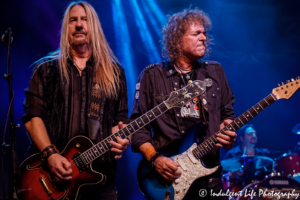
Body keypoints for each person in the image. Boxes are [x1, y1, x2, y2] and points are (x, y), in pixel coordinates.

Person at [21, 1, 130, 199]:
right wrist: (50, 155)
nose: (79, 25)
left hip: (100, 182)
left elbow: (120, 119)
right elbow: (32, 117)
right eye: (73, 20)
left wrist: (124, 138)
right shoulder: (46, 69)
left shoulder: (114, 72)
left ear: (94, 27)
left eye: (84, 20)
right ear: (66, 28)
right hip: (51, 178)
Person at [130, 8, 237, 199]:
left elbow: (226, 115)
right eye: (196, 33)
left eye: (204, 33)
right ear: (177, 40)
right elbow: (138, 129)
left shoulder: (215, 72)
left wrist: (228, 132)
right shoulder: (152, 76)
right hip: (168, 178)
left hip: (211, 179)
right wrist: (155, 159)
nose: (204, 38)